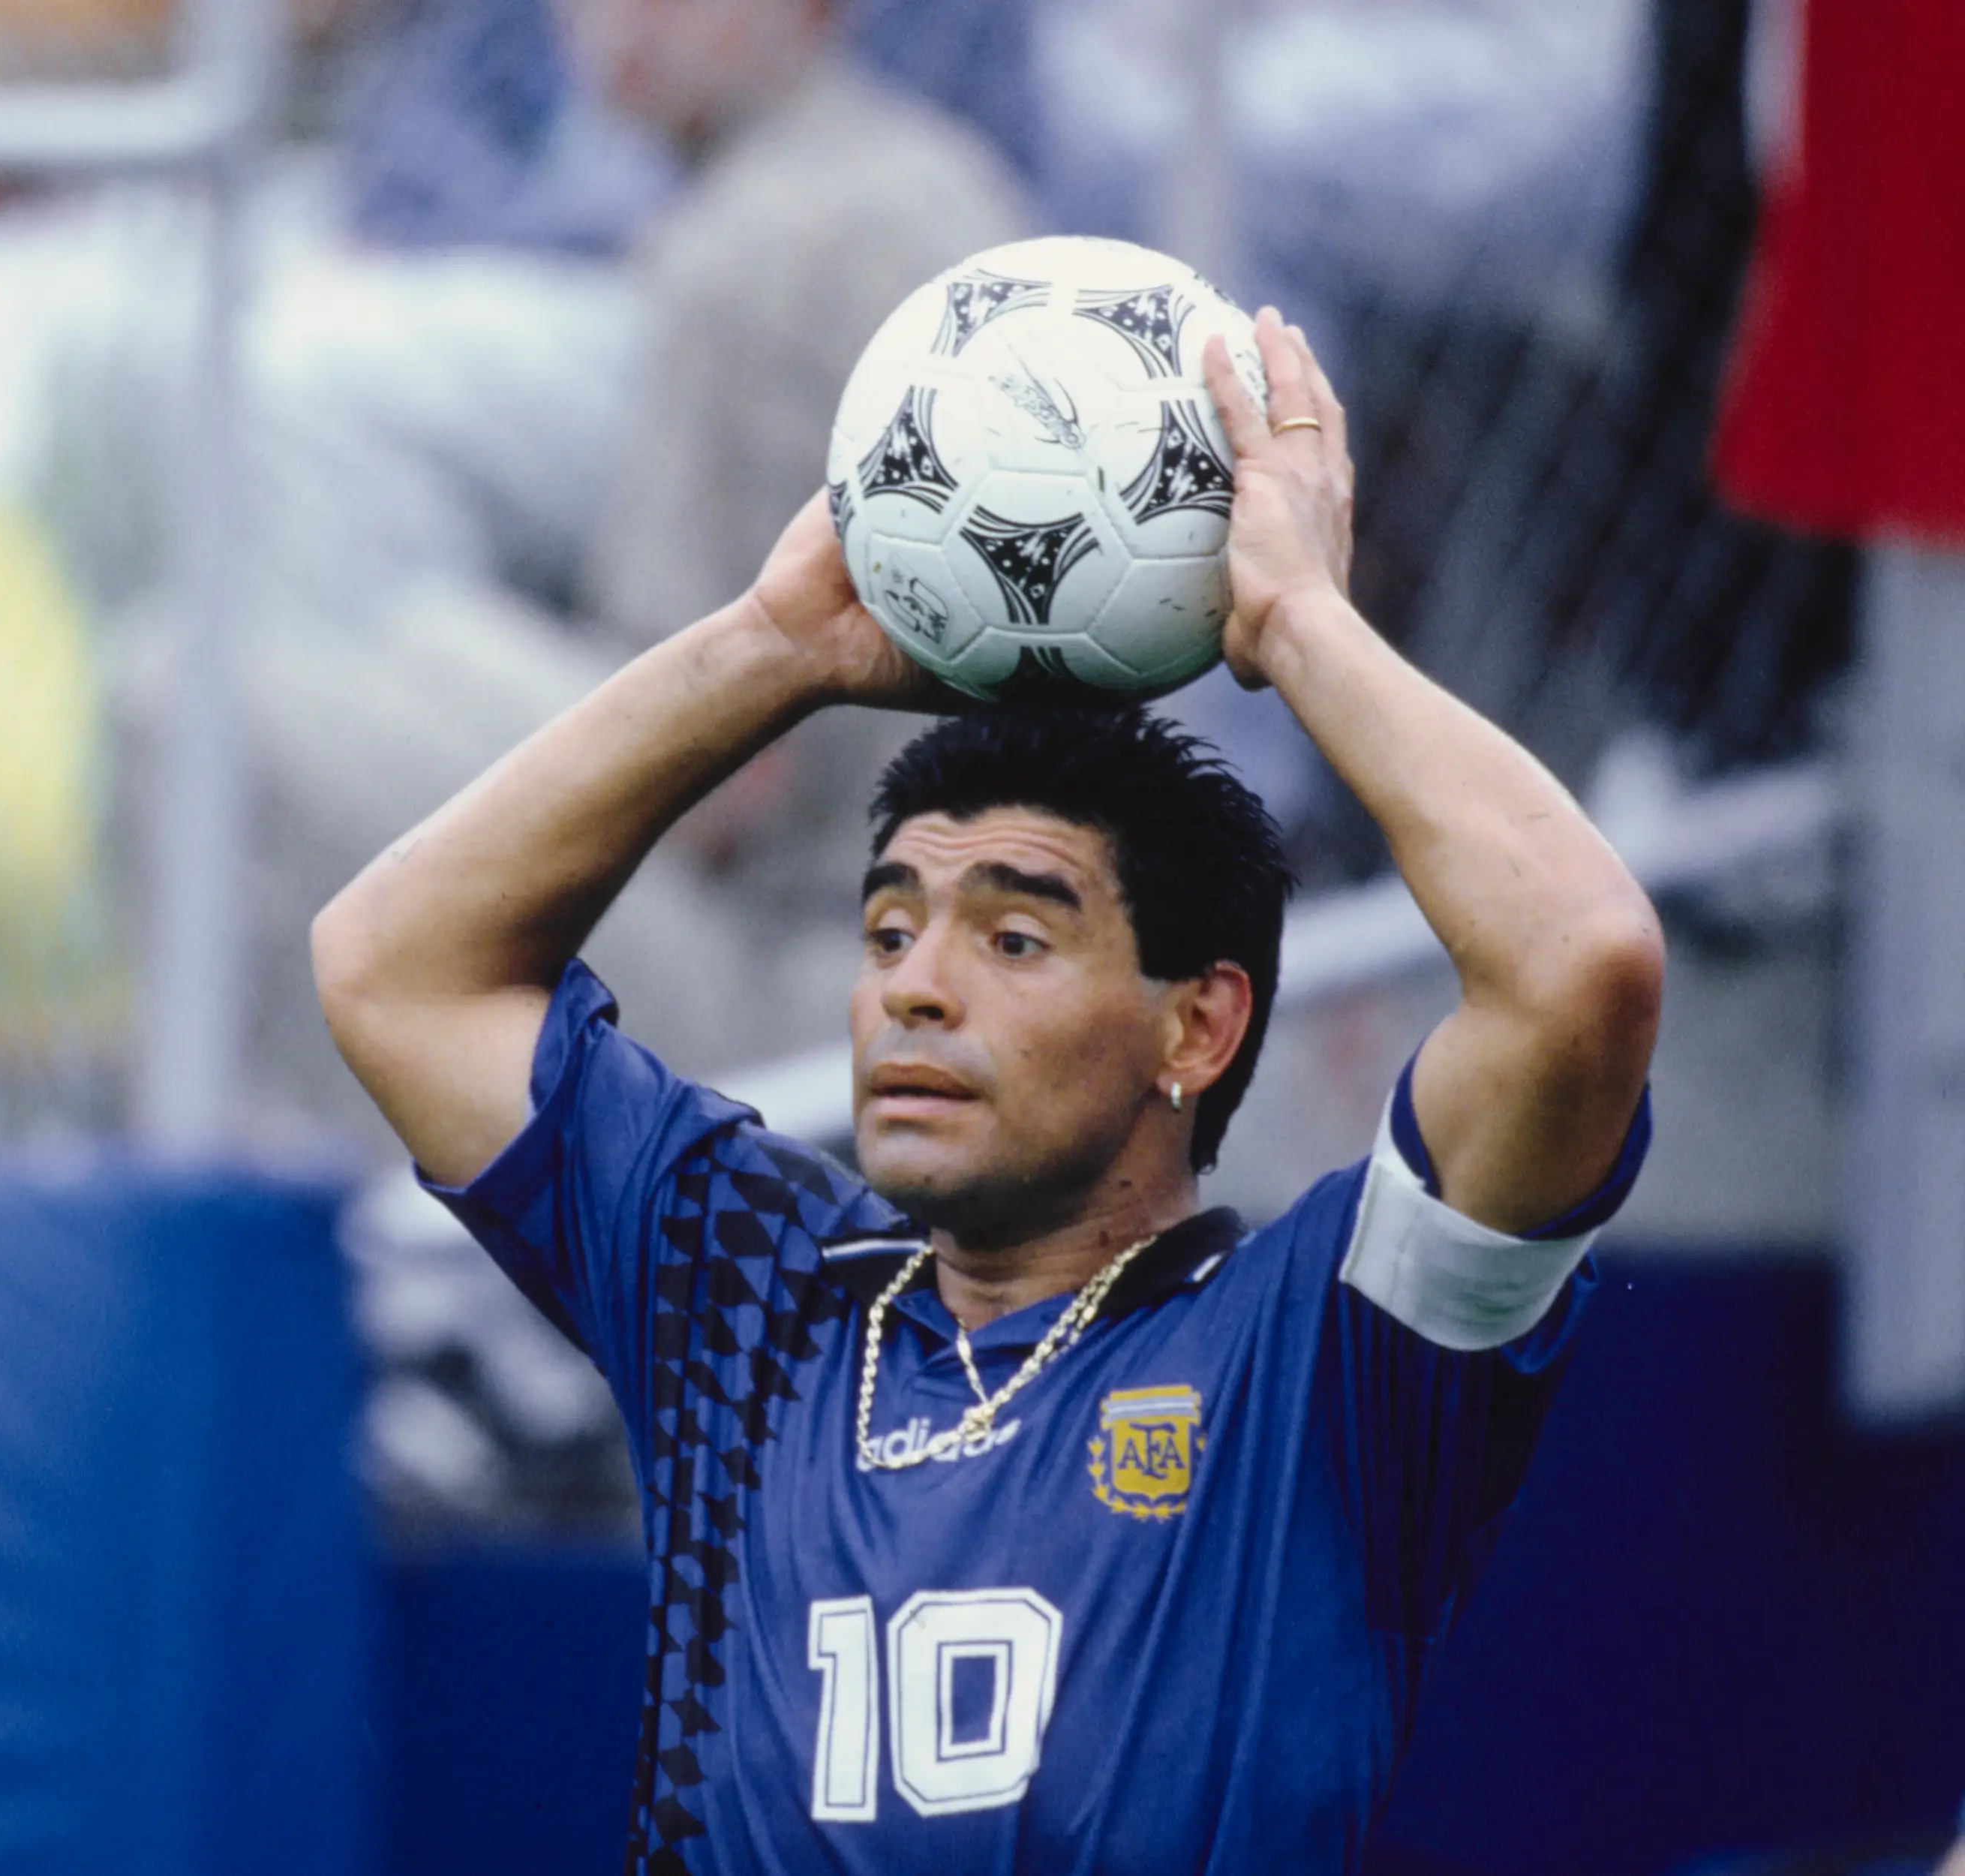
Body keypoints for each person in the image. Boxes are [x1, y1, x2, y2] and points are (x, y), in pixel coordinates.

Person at [310, 310, 1663, 1867]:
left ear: (1197, 1028)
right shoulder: (749, 1302)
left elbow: (1581, 965)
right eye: (889, 927)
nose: (916, 984)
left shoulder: (1331, 1355)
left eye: (1015, 933)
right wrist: (774, 647)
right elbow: (390, 962)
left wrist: (1300, 624)